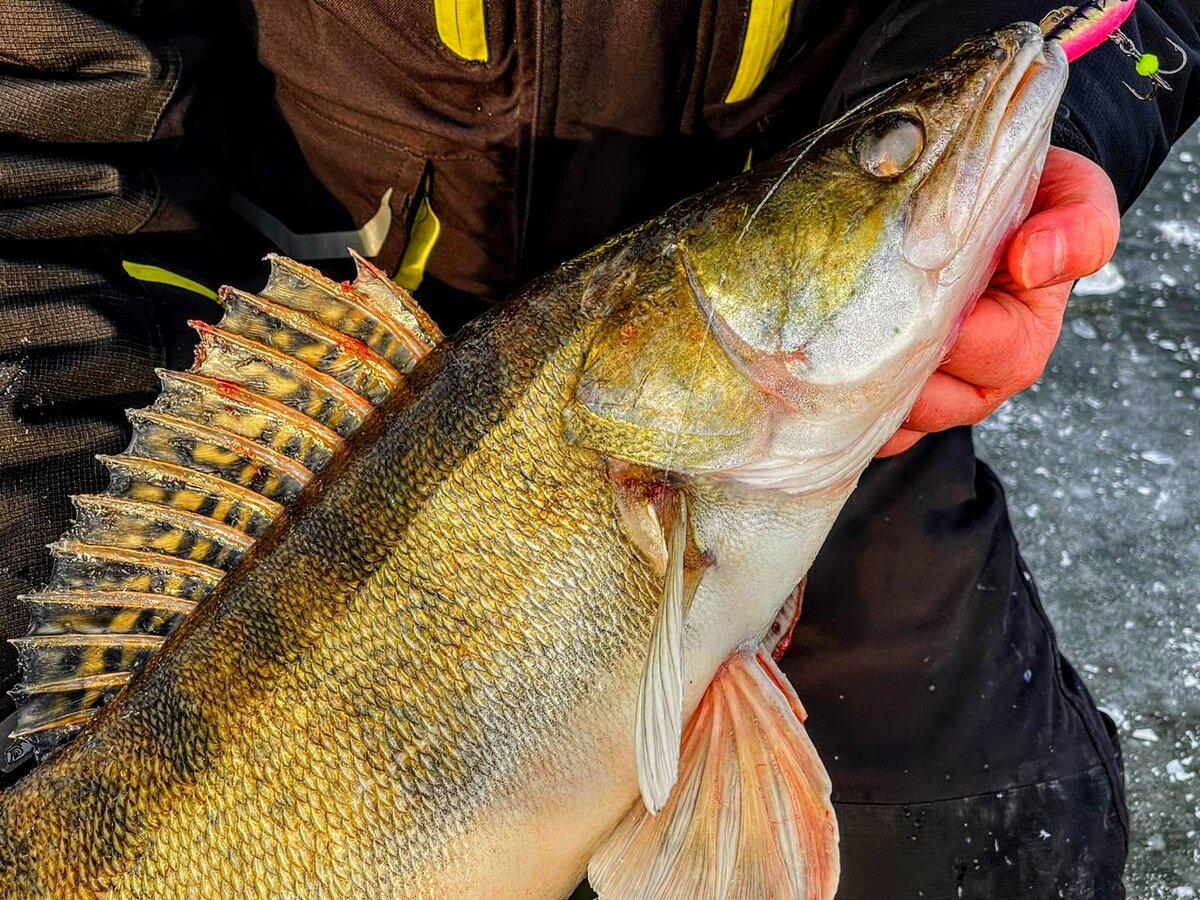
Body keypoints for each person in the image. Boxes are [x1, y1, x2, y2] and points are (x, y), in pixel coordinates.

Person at [0, 1, 1196, 895]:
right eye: (890, 158)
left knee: (976, 841)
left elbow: (1079, 26)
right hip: (219, 374)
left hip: (828, 440)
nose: (907, 164)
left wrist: (1080, 111)